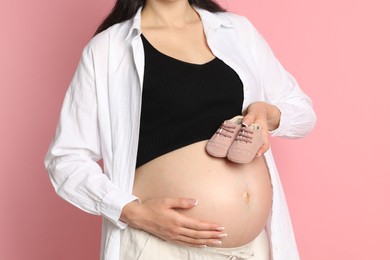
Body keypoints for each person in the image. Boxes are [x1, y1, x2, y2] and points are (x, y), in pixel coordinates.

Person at [44, 0, 316, 259]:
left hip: (252, 249)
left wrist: (268, 114)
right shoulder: (108, 49)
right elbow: (66, 159)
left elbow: (302, 112)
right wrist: (132, 212)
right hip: (164, 248)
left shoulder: (238, 31)